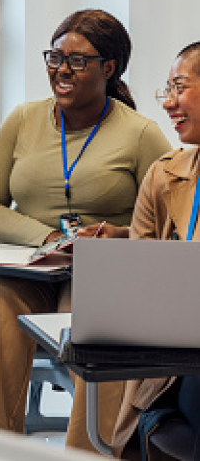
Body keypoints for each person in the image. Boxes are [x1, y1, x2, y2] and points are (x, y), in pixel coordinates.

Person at [0, 9, 171, 452]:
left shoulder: (140, 134)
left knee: (95, 319)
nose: (61, 69)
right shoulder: (22, 120)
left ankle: (88, 451)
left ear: (109, 68)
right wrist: (47, 239)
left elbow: (168, 220)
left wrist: (115, 235)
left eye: (77, 61)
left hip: (102, 274)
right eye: (55, 57)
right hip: (29, 271)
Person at [105, 42, 200, 460]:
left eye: (180, 87)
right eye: (167, 88)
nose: (168, 102)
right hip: (180, 355)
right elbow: (142, 285)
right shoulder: (163, 176)